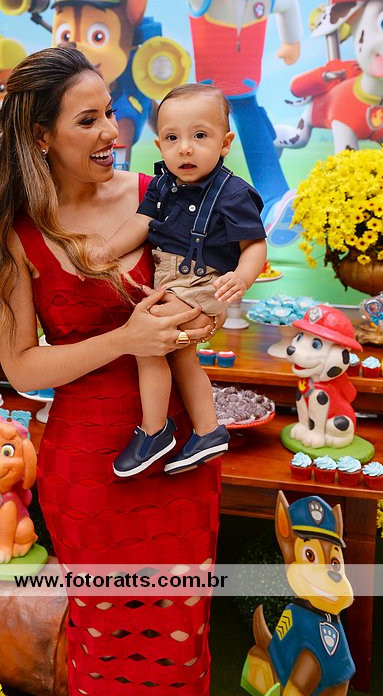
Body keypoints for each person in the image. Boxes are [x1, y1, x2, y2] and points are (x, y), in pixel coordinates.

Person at [0, 46, 222, 695]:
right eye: (88, 120)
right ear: (41, 137)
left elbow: (206, 282)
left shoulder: (159, 194)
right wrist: (126, 339)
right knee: (104, 637)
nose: (112, 131)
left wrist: (202, 312)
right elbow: (23, 367)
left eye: (109, 112)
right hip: (89, 470)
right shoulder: (17, 232)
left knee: (179, 630)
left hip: (178, 457)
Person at [101, 0, 303, 245]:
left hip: (246, 90)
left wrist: (291, 42)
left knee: (255, 134)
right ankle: (195, 215)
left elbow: (289, 5)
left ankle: (275, 203)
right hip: (209, 96)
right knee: (197, 150)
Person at [91, 84, 266, 477]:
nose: (185, 149)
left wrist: (243, 276)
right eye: (172, 138)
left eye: (199, 136)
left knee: (147, 340)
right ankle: (207, 430)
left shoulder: (233, 194)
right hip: (170, 280)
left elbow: (255, 244)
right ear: (159, 144)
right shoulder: (162, 185)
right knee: (181, 356)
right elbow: (141, 222)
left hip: (204, 283)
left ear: (225, 143)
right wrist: (107, 251)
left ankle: (155, 431)